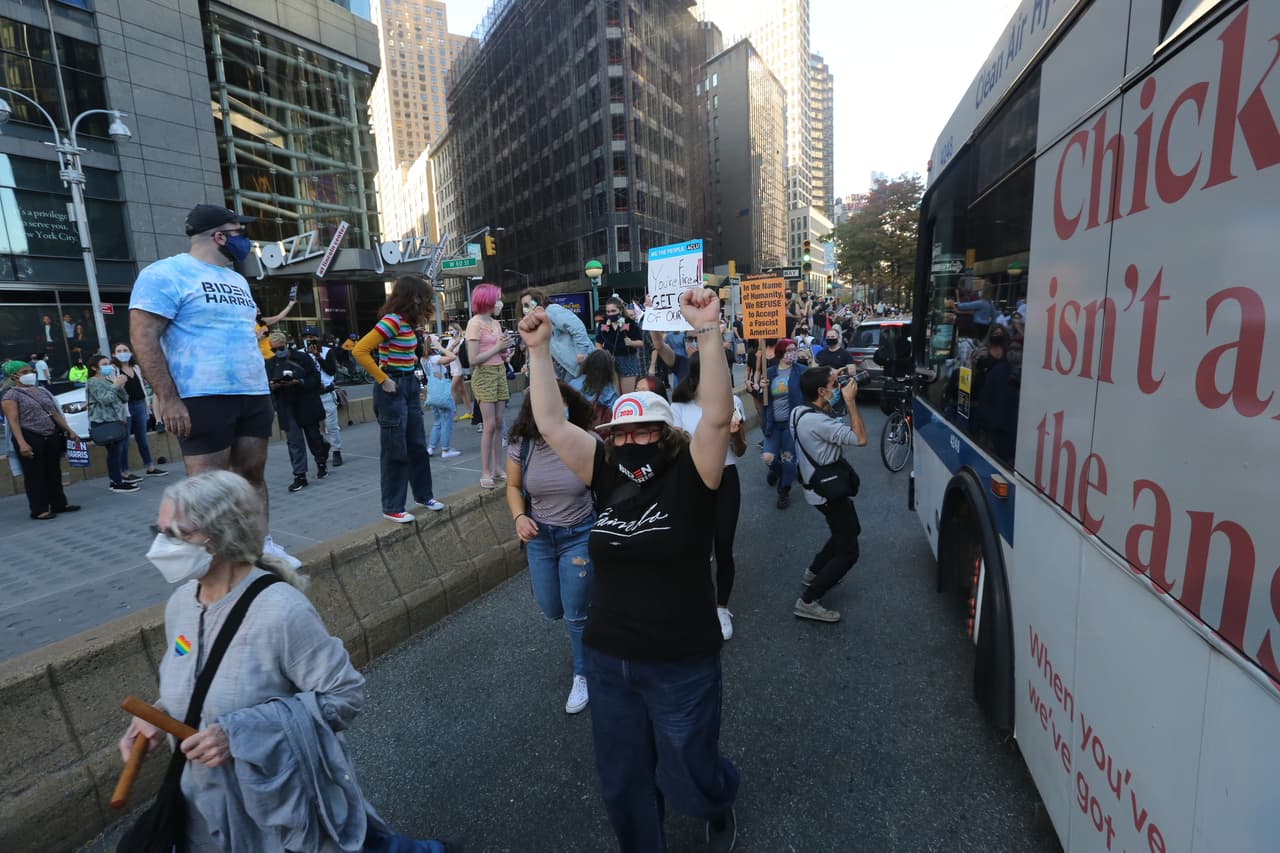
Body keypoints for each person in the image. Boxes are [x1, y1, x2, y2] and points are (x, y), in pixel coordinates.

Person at [117, 471, 460, 853]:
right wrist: (158, 716)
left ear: (220, 536)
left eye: (177, 533)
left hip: (281, 806)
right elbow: (194, 674)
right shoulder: (180, 605)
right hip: (206, 808)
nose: (161, 546)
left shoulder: (281, 611)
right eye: (159, 530)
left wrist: (239, 734)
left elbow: (345, 695)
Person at [519, 287, 739, 852]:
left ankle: (717, 800)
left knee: (690, 766)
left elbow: (717, 415)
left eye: (644, 432)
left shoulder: (694, 474)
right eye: (621, 433)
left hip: (682, 659)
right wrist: (539, 350)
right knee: (624, 781)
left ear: (666, 437)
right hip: (609, 657)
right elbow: (548, 420)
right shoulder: (605, 471)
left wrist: (708, 331)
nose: (631, 440)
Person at [130, 203, 300, 568]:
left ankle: (260, 546)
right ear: (219, 236)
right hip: (202, 395)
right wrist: (167, 397)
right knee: (209, 485)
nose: (246, 241)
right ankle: (219, 562)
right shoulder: (165, 274)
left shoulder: (237, 280)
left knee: (252, 474)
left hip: (252, 393)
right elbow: (143, 337)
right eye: (240, 232)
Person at [505, 382, 598, 714]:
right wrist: (518, 516)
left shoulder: (587, 441)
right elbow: (513, 486)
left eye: (557, 402)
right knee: (552, 609)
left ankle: (583, 674)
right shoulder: (522, 444)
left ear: (568, 404)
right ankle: (590, 612)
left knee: (574, 614)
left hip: (581, 535)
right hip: (540, 539)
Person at [353, 275, 446, 522]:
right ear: (412, 296)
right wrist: (383, 379)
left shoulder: (405, 322)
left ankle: (423, 495)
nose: (424, 301)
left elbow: (409, 355)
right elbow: (359, 350)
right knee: (395, 448)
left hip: (407, 384)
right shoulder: (392, 321)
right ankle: (392, 506)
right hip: (392, 387)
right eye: (422, 296)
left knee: (416, 445)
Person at [671, 353, 747, 641]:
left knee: (724, 545)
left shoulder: (734, 403)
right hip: (693, 479)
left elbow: (740, 451)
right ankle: (697, 602)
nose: (724, 375)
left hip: (727, 477)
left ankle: (721, 607)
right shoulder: (678, 405)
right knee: (696, 547)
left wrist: (735, 435)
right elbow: (675, 451)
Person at [789, 366, 867, 622]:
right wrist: (851, 402)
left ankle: (813, 572)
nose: (840, 387)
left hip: (818, 487)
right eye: (835, 384)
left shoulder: (799, 412)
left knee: (847, 530)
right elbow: (860, 438)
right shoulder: (817, 421)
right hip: (829, 492)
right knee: (849, 551)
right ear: (821, 391)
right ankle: (809, 600)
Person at [1, 360, 83, 519]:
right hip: (30, 436)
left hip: (50, 435)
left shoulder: (41, 391)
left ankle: (59, 503)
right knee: (34, 475)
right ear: (14, 376)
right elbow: (13, 421)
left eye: (30, 371)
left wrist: (70, 430)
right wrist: (21, 442)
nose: (30, 374)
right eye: (25, 372)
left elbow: (54, 413)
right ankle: (39, 509)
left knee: (54, 471)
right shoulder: (10, 396)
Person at [465, 283, 516, 489]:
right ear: (487, 300)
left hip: (499, 371)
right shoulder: (474, 323)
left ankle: (497, 467)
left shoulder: (495, 323)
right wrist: (498, 347)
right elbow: (473, 358)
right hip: (484, 374)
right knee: (489, 425)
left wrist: (504, 351)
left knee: (499, 422)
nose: (500, 302)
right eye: (497, 298)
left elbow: (498, 351)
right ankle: (485, 470)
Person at [265, 332, 329, 493]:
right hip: (286, 405)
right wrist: (273, 386)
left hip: (306, 403)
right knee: (294, 441)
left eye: (280, 348)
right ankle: (300, 475)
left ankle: (321, 460)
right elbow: (265, 383)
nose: (277, 352)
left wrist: (299, 381)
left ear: (286, 344)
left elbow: (315, 378)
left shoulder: (302, 358)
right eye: (274, 350)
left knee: (313, 437)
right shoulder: (270, 363)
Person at [762, 338, 805, 509]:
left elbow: (813, 385)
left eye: (794, 349)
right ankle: (786, 474)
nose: (792, 353)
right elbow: (764, 400)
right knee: (768, 458)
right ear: (780, 352)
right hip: (773, 424)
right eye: (788, 350)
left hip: (790, 425)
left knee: (788, 460)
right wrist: (759, 388)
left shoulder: (801, 371)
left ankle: (784, 491)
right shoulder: (770, 373)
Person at [112, 341, 166, 478]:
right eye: (119, 351)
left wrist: (146, 406)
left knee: (143, 438)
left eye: (125, 350)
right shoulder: (114, 371)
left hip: (139, 405)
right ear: (114, 354)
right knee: (125, 442)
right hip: (126, 408)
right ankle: (124, 472)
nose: (122, 353)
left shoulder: (136, 368)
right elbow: (113, 390)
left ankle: (150, 467)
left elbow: (142, 386)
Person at [87, 354, 139, 494]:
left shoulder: (109, 381)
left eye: (108, 363)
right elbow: (104, 400)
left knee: (118, 451)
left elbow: (124, 398)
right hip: (105, 422)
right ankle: (115, 481)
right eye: (104, 364)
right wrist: (116, 386)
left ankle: (118, 479)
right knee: (114, 453)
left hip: (117, 421)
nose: (108, 366)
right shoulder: (93, 382)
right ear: (94, 368)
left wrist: (120, 386)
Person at [518, 288, 593, 381]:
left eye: (529, 303)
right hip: (566, 371)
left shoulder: (551, 310)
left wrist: (582, 352)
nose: (526, 308)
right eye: (524, 305)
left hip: (579, 367)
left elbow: (577, 327)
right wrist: (528, 365)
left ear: (538, 301)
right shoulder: (537, 323)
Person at [303, 331, 344, 467]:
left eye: (312, 338)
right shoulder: (300, 353)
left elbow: (331, 370)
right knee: (314, 427)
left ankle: (336, 450)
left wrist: (318, 356)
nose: (309, 340)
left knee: (331, 425)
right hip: (310, 395)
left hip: (325, 392)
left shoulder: (327, 351)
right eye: (306, 338)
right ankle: (322, 448)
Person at [594, 296, 645, 392]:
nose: (610, 314)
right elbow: (598, 341)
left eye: (613, 311)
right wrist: (602, 354)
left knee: (627, 395)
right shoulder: (603, 324)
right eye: (608, 312)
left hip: (627, 359)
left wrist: (631, 342)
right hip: (610, 360)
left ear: (620, 310)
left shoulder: (630, 323)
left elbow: (641, 342)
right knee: (615, 395)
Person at [423, 333, 460, 458]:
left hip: (433, 393)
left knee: (437, 422)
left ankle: (431, 448)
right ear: (433, 345)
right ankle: (445, 450)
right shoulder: (435, 359)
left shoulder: (425, 359)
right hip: (442, 393)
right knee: (446, 422)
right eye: (437, 341)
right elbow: (453, 357)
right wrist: (441, 348)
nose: (440, 343)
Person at [568, 349, 620, 429]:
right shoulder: (609, 390)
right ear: (608, 368)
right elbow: (615, 412)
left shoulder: (573, 383)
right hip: (596, 430)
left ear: (587, 363)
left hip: (573, 427)